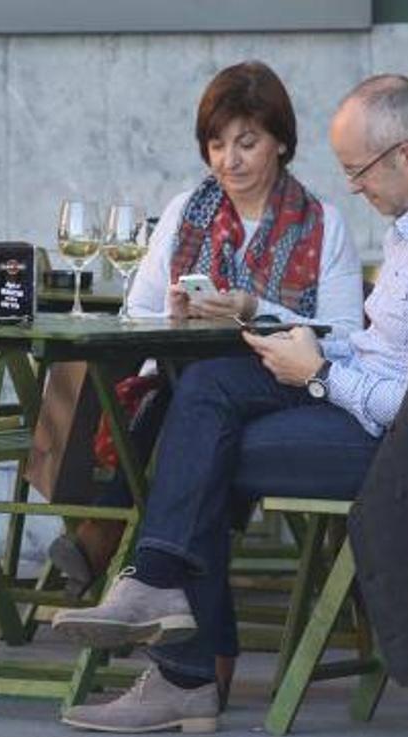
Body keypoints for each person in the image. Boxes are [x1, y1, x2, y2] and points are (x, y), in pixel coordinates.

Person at [50, 73, 408, 734]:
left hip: (400, 447)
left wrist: (322, 371)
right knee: (207, 389)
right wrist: (269, 320)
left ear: (407, 157)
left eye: (359, 171)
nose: (354, 186)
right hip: (357, 398)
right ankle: (159, 598)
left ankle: (183, 669)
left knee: (199, 445)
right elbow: (378, 349)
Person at [45, 60, 365, 604]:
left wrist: (254, 307)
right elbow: (137, 311)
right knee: (188, 386)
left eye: (246, 143)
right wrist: (175, 315)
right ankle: (160, 591)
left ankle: (113, 539)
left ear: (281, 143)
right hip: (191, 383)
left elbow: (343, 339)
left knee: (195, 389)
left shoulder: (323, 223)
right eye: (216, 145)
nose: (229, 161)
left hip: (284, 388)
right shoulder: (185, 211)